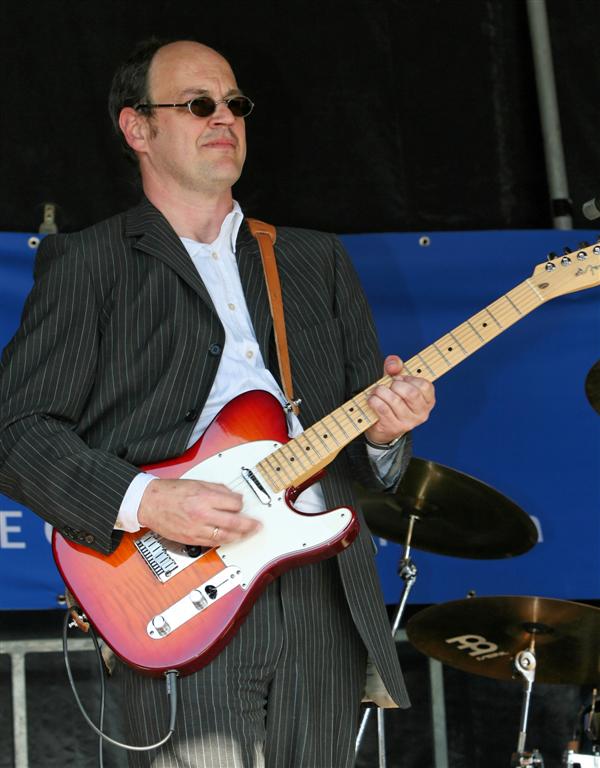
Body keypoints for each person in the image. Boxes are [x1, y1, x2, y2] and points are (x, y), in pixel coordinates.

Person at [0, 39, 435, 767]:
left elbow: (367, 460)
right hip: (177, 585)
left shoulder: (315, 259)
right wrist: (146, 500)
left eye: (235, 103)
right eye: (198, 104)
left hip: (320, 588)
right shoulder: (89, 262)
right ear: (137, 128)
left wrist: (388, 435)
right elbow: (16, 432)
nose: (224, 117)